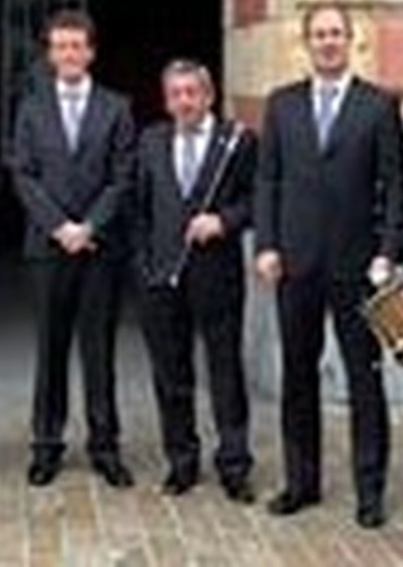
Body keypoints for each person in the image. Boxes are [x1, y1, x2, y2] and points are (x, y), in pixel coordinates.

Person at [255, 2, 403, 528]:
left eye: (335, 33)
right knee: (298, 377)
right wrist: (267, 244)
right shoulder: (281, 105)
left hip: (358, 267)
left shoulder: (378, 106)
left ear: (350, 41)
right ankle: (301, 483)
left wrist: (389, 253)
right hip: (295, 264)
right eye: (319, 34)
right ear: (306, 42)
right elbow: (267, 180)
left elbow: (397, 188)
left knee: (364, 381)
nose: (327, 42)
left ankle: (370, 491)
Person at [10, 10, 135, 488]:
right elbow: (23, 174)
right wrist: (60, 226)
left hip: (100, 247)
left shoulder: (116, 107)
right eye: (60, 46)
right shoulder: (31, 108)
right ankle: (46, 446)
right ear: (49, 54)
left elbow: (123, 176)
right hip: (49, 246)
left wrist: (89, 225)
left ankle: (105, 447)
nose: (69, 54)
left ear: (91, 52)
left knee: (99, 351)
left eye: (76, 45)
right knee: (51, 349)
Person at [132, 59, 257, 503]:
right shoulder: (150, 141)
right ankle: (181, 461)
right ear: (167, 100)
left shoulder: (237, 141)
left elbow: (257, 198)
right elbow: (138, 209)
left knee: (225, 372)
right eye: (176, 94)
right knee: (171, 375)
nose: (184, 101)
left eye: (192, 92)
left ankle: (234, 464)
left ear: (209, 96)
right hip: (161, 278)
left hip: (217, 275)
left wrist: (224, 221)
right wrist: (145, 265)